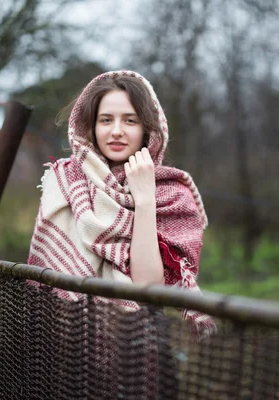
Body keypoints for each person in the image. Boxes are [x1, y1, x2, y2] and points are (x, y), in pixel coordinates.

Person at [27, 71, 216, 380]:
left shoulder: (171, 194)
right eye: (106, 120)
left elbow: (147, 288)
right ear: (90, 126)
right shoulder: (64, 181)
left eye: (130, 120)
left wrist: (144, 199)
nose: (116, 131)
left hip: (137, 352)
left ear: (147, 130)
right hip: (62, 350)